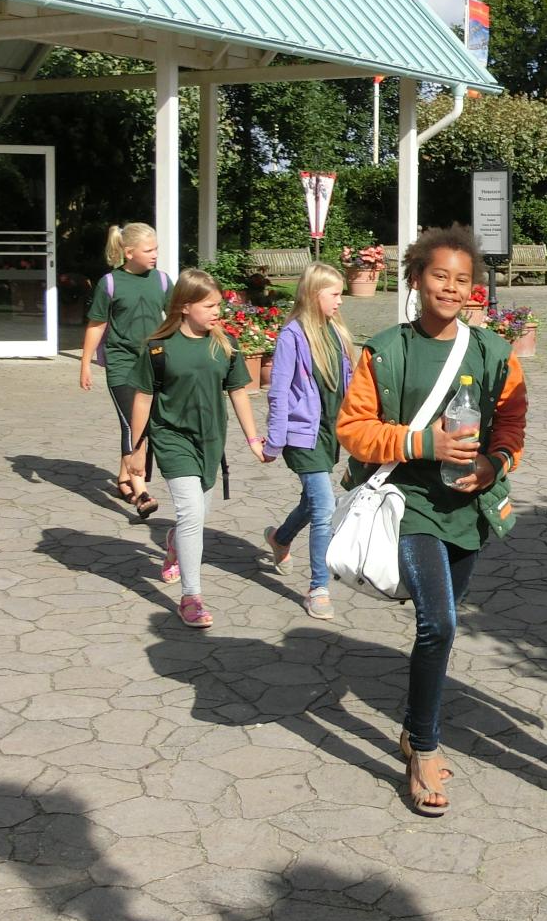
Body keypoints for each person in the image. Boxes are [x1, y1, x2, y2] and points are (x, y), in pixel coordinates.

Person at [336, 226, 527, 816]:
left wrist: (494, 465)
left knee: (440, 628)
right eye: (439, 275)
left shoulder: (494, 353)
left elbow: (512, 425)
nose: (450, 287)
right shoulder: (384, 350)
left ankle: (411, 726)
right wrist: (425, 443)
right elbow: (352, 430)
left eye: (462, 279)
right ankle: (423, 747)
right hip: (408, 504)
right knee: (438, 624)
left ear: (474, 289)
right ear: (416, 278)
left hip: (468, 510)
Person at [127, 269, 270, 628]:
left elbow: (238, 392)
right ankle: (191, 597)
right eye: (209, 305)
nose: (217, 311)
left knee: (197, 515)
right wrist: (136, 448)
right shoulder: (158, 348)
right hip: (172, 438)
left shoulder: (225, 345)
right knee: (191, 513)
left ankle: (174, 541)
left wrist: (254, 440)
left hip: (210, 440)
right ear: (185, 306)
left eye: (219, 304)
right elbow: (143, 398)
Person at [262, 261, 354, 620]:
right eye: (335, 294)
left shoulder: (336, 331)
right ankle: (318, 588)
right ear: (315, 295)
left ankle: (280, 538)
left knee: (312, 501)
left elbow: (348, 384)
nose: (340, 301)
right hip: (303, 435)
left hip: (330, 432)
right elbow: (279, 391)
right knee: (324, 508)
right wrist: (274, 440)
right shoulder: (292, 335)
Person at [80, 222, 170, 521]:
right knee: (135, 425)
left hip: (153, 363)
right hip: (121, 364)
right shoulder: (110, 283)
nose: (155, 254)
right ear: (129, 253)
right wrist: (85, 364)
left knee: (143, 424)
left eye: (156, 248)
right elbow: (97, 324)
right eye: (149, 250)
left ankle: (123, 479)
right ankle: (141, 491)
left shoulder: (162, 280)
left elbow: (176, 317)